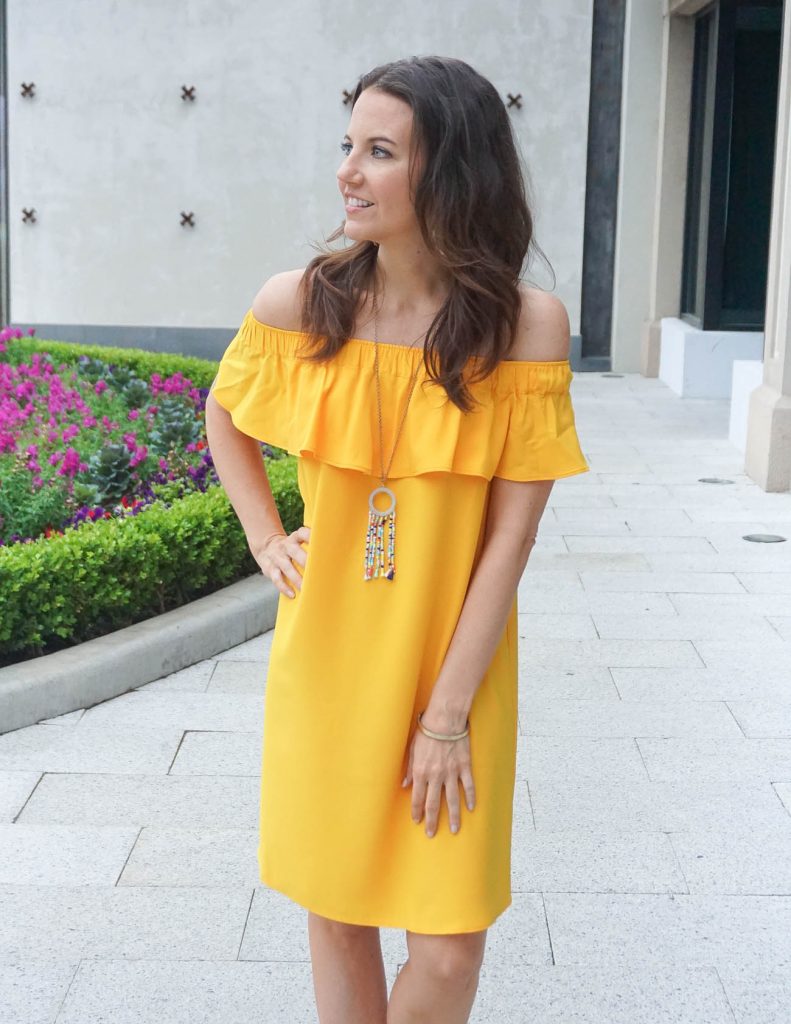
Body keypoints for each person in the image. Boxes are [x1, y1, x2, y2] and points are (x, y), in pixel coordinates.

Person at [205, 55, 588, 1024]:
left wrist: (446, 715)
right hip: (327, 659)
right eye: (348, 146)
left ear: (450, 174)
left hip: (452, 668)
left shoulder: (524, 329)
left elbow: (509, 539)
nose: (347, 171)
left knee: (450, 949)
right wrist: (264, 538)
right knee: (337, 915)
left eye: (379, 151)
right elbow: (224, 413)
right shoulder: (300, 303)